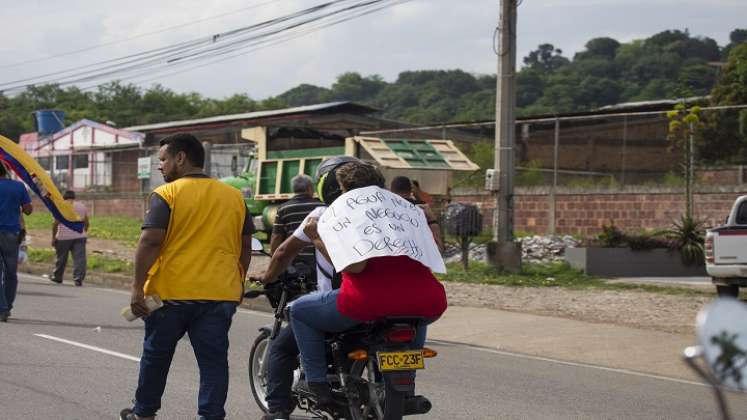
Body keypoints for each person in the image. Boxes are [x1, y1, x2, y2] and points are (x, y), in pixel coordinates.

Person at [119, 133, 254, 420]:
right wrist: (238, 282)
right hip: (219, 295)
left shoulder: (166, 195)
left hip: (171, 295)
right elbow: (245, 247)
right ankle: (211, 415)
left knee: (156, 357)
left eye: (164, 160)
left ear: (181, 158)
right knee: (214, 362)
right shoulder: (234, 197)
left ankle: (143, 413)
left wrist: (135, 288)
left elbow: (150, 241)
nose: (160, 166)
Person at [290, 162, 448, 405]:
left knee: (299, 310)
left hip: (366, 301)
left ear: (344, 188)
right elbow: (436, 251)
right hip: (429, 299)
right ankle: (407, 388)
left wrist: (317, 239)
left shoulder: (344, 211)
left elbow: (355, 267)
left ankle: (317, 384)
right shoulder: (406, 209)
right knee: (413, 313)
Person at [255, 156, 361, 420]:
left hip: (344, 303)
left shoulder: (322, 214)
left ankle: (280, 409)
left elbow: (281, 251)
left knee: (282, 346)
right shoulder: (377, 212)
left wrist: (268, 277)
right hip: (383, 304)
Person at [269, 174, 324, 283]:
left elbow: (276, 237)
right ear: (309, 188)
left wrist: (275, 259)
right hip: (318, 261)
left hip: (292, 262)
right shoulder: (321, 207)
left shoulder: (283, 208)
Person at [0, 162, 33, 322]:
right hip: (11, 233)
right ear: (6, 172)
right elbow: (28, 209)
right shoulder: (18, 187)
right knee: (10, 272)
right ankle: (7, 307)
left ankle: (2, 307)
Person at [390, 176, 443, 252]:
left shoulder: (384, 209)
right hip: (420, 255)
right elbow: (438, 245)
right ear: (411, 190)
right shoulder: (424, 209)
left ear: (391, 190)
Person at [50, 190, 89, 286]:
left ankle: (57, 277)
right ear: (74, 197)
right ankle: (78, 278)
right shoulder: (82, 206)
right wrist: (83, 232)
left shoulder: (61, 206)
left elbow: (55, 223)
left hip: (63, 237)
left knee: (61, 258)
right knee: (79, 258)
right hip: (79, 236)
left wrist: (53, 237)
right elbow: (86, 222)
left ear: (64, 197)